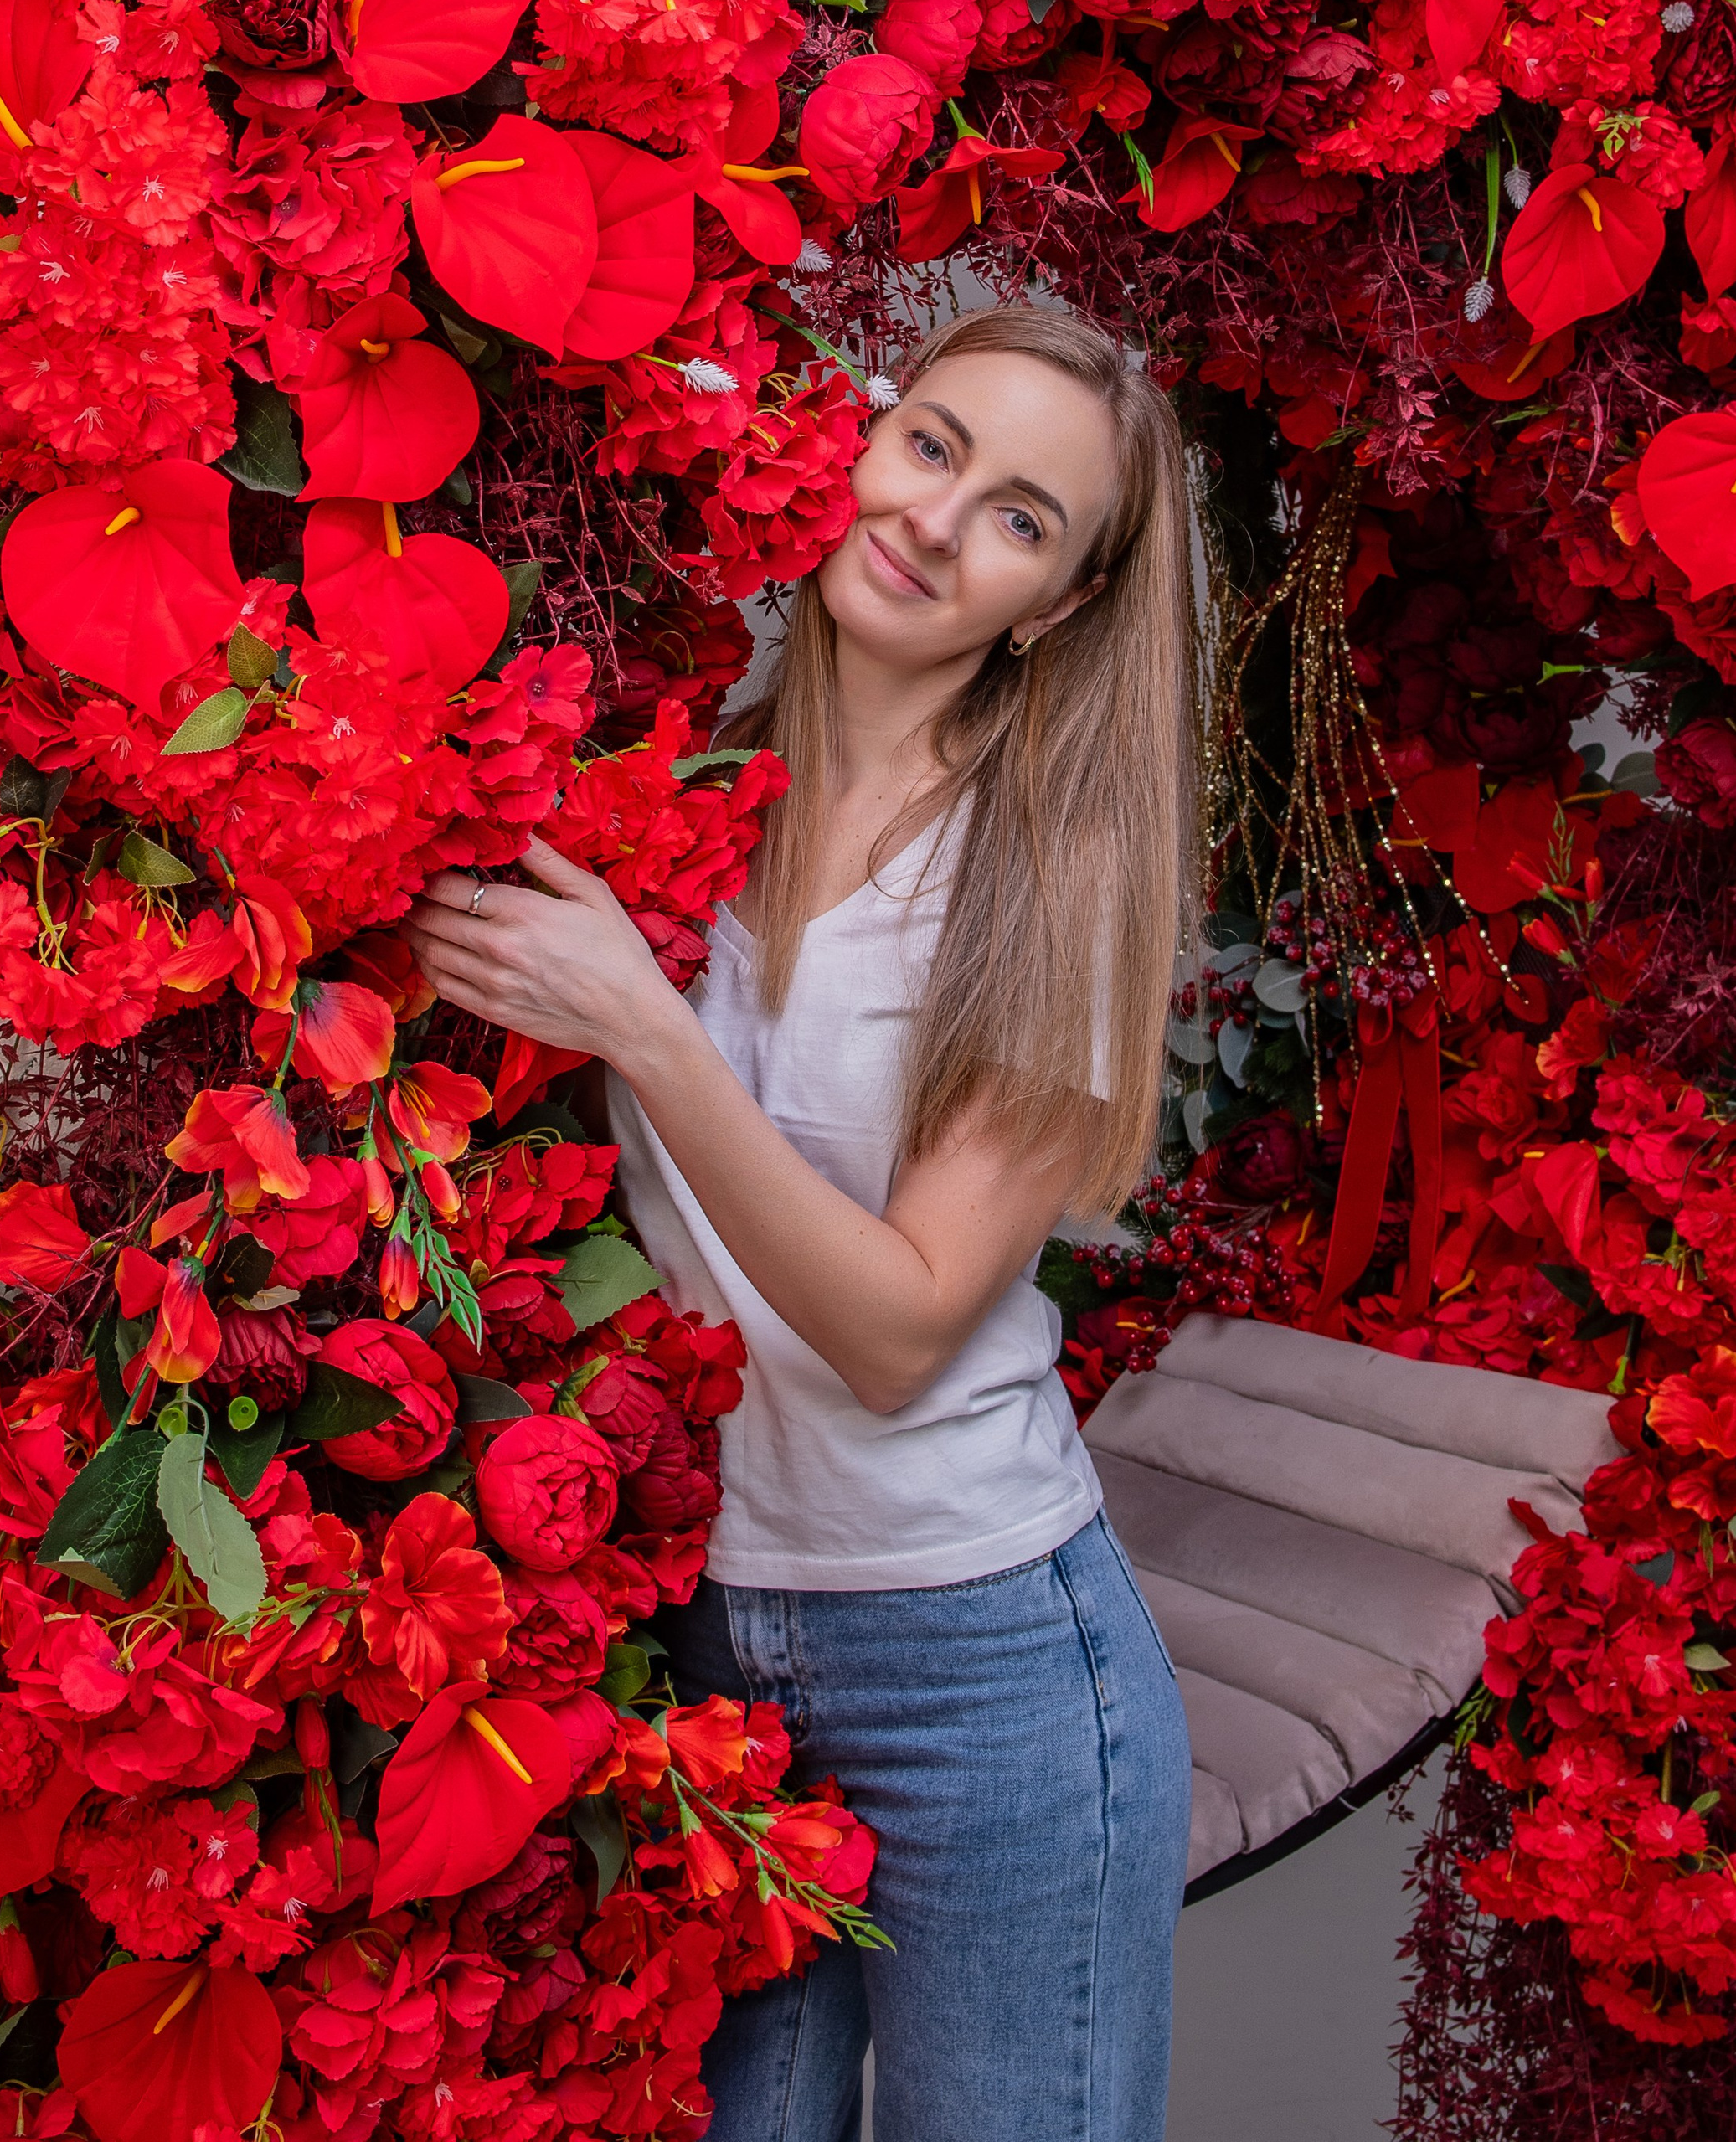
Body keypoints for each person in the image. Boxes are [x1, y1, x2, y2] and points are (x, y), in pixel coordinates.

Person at [409, 301, 1195, 2142]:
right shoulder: (674, 776)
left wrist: (644, 1027)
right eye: (929, 445)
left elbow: (905, 1323)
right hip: (697, 1632)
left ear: (1056, 607)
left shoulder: (1039, 866)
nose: (935, 519)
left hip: (983, 1662)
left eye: (1019, 517)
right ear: (857, 441)